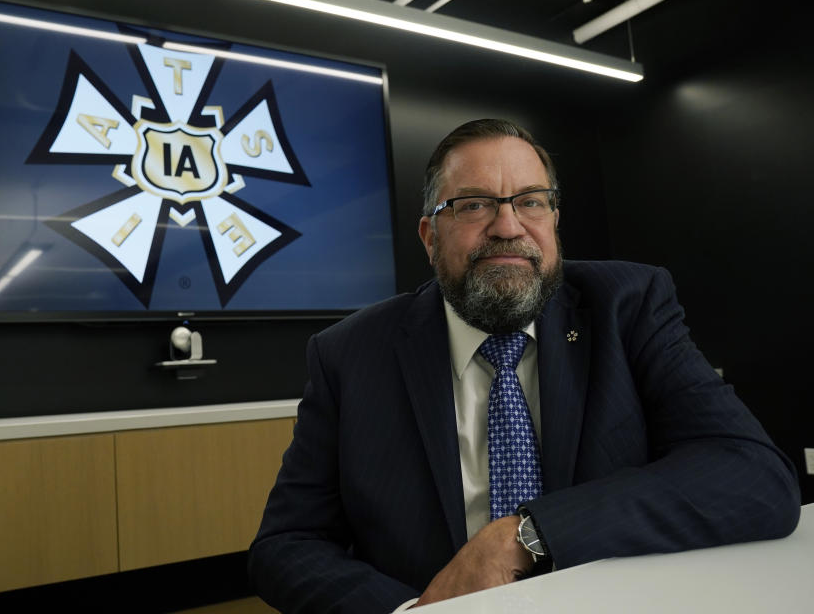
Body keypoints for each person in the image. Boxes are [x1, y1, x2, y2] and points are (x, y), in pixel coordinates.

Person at [248, 119, 801, 613]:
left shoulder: (629, 306)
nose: (508, 226)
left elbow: (755, 475)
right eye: (473, 204)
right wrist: (417, 612)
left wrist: (528, 533)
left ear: (554, 222)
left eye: (531, 202)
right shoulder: (349, 353)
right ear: (429, 235)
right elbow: (285, 545)